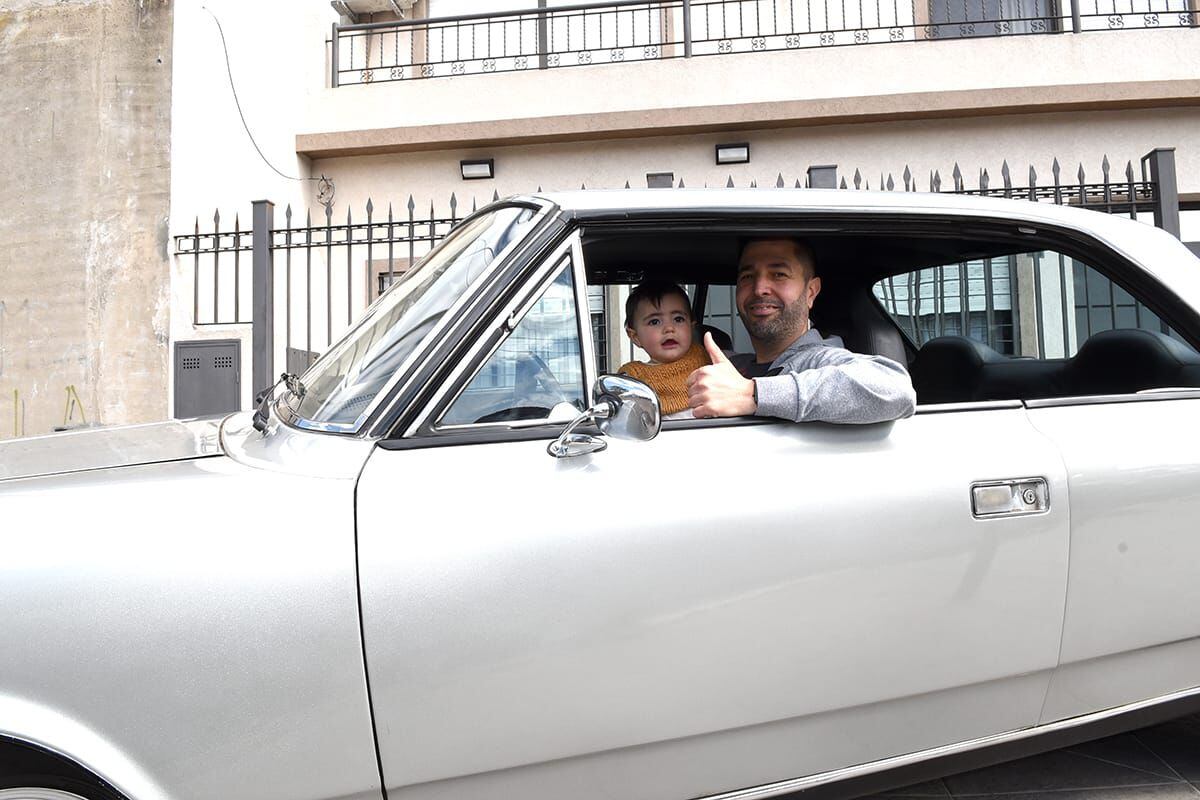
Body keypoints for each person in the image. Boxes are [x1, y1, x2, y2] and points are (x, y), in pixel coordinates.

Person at [686, 238, 916, 423]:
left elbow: (896, 389)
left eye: (779, 274)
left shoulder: (822, 360)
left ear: (811, 292)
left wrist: (753, 394)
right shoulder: (731, 366)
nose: (759, 288)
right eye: (747, 276)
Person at [618, 281, 711, 417]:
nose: (669, 328)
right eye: (654, 322)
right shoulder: (634, 379)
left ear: (691, 327)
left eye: (678, 319)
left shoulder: (709, 359)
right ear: (635, 336)